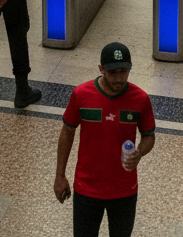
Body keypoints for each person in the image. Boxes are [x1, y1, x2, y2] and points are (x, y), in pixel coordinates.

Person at [54, 42, 156, 237]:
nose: (119, 78)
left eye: (123, 72)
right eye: (112, 72)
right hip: (87, 188)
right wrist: (60, 176)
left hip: (124, 190)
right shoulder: (81, 95)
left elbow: (149, 136)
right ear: (101, 69)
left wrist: (139, 152)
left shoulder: (140, 99)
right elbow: (67, 131)